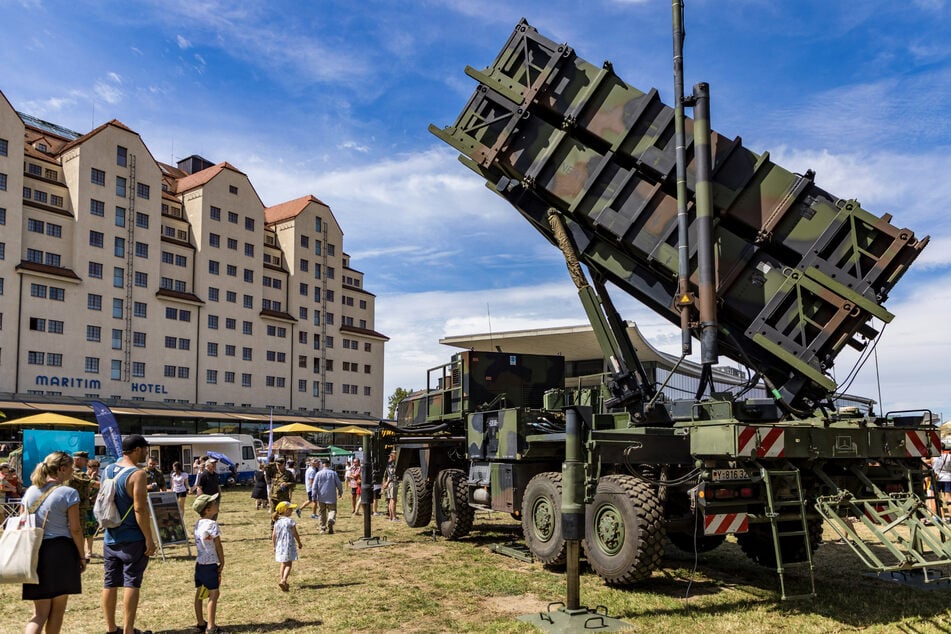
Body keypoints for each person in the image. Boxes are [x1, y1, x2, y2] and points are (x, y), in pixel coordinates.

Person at [20, 451, 86, 634]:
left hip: (34, 552)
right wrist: (82, 556)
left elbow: (22, 521)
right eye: (71, 468)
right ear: (62, 469)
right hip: (61, 552)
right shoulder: (69, 493)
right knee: (57, 611)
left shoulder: (30, 492)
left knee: (39, 613)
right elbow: (75, 529)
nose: (73, 471)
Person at [101, 434, 157, 634]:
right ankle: (128, 630)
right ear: (137, 450)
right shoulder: (137, 474)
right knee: (131, 582)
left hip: (110, 536)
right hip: (132, 537)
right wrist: (149, 538)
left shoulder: (107, 470)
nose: (146, 453)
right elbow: (140, 509)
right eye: (145, 449)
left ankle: (110, 628)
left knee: (109, 583)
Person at [192, 493, 226, 634]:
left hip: (200, 564)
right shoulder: (212, 524)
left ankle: (200, 622)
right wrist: (222, 562)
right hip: (211, 564)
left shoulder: (198, 523)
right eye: (214, 503)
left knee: (199, 593)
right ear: (207, 510)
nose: (217, 504)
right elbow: (218, 545)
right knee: (214, 594)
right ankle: (211, 627)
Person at [67, 450, 95, 563]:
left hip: (81, 506)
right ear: (77, 460)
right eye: (85, 460)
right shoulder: (75, 472)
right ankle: (78, 555)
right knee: (78, 531)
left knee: (82, 531)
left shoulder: (74, 471)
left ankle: (79, 554)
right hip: (77, 507)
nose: (86, 462)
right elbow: (90, 482)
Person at [271, 501, 302, 592]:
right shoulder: (290, 521)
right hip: (288, 545)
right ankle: (284, 579)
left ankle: (282, 581)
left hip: (280, 545)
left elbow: (274, 535)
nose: (292, 510)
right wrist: (299, 543)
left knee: (283, 563)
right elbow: (295, 533)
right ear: (285, 511)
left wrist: (274, 546)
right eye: (290, 509)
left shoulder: (277, 522)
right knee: (288, 564)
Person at [314, 459, 343, 534]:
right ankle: (330, 521)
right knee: (332, 510)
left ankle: (322, 528)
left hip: (321, 496)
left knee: (322, 512)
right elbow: (339, 483)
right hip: (331, 496)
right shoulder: (333, 473)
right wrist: (340, 491)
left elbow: (314, 486)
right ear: (329, 464)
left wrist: (313, 495)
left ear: (322, 464)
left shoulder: (318, 474)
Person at [85, 459, 102, 559]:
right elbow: (85, 491)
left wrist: (96, 496)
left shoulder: (98, 478)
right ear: (88, 468)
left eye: (97, 468)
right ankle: (82, 552)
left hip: (93, 508)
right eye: (94, 468)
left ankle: (89, 552)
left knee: (91, 531)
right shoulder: (84, 478)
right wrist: (92, 478)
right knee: (84, 530)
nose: (96, 470)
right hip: (84, 508)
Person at [931, 443, 951, 520]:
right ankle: (948, 517)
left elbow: (931, 465)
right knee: (948, 498)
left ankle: (935, 516)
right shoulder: (949, 457)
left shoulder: (933, 458)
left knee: (935, 497)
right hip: (948, 478)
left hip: (936, 479)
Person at [382, 450, 399, 521]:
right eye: (396, 454)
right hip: (392, 482)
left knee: (390, 500)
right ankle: (394, 517)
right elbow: (391, 475)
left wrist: (386, 483)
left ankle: (391, 517)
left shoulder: (388, 463)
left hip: (389, 483)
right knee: (393, 500)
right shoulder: (393, 464)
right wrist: (387, 482)